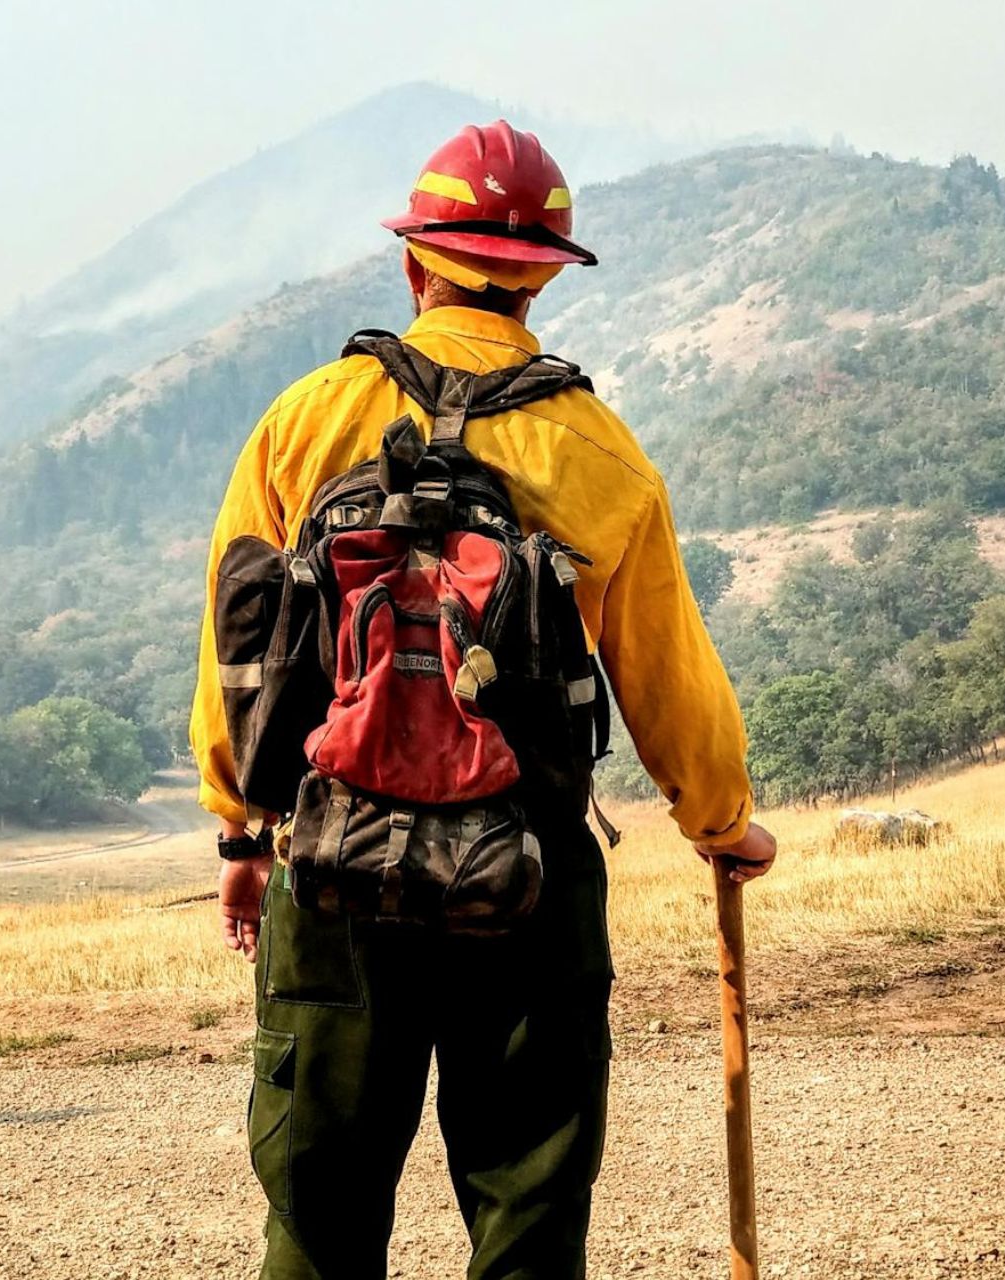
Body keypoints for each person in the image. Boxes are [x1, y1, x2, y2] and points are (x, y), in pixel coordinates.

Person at [190, 119, 776, 1279]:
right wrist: (721, 820)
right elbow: (666, 674)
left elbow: (235, 641)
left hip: (333, 858)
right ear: (543, 279)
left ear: (416, 265)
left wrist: (240, 831)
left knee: (319, 1203)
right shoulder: (598, 451)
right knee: (528, 1198)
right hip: (529, 879)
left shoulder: (307, 419)